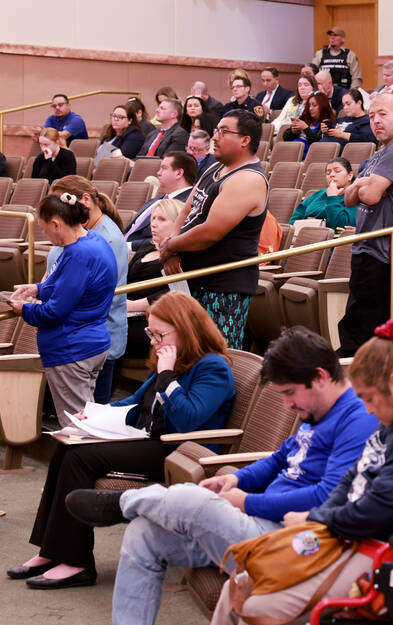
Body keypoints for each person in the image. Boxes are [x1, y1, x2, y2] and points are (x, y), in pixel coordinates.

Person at [65, 326, 375, 625]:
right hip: (256, 522)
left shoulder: (358, 419)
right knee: (142, 534)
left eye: (290, 393)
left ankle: (123, 504)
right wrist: (236, 477)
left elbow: (327, 496)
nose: (287, 405)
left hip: (288, 537)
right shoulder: (316, 411)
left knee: (192, 500)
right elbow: (280, 459)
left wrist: (245, 501)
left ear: (321, 376)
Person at [204, 318, 393, 625]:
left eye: (368, 398)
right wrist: (319, 518)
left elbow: (380, 509)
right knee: (237, 586)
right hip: (363, 537)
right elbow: (354, 478)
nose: (366, 410)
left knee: (257, 609)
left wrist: (313, 517)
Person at [7, 292, 236, 591]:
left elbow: (187, 420)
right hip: (149, 439)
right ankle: (51, 551)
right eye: (150, 332)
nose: (153, 340)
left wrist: (167, 376)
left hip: (181, 452)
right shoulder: (175, 357)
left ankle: (76, 562)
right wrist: (91, 415)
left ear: (185, 328)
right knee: (67, 446)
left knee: (81, 458)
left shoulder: (213, 367)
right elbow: (134, 401)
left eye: (158, 334)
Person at [160, 109, 269, 349]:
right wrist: (173, 248)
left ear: (245, 140)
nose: (215, 137)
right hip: (192, 280)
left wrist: (170, 245)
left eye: (223, 131)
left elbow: (210, 232)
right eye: (216, 130)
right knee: (182, 356)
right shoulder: (215, 168)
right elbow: (187, 210)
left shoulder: (248, 179)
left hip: (222, 288)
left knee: (214, 358)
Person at [10, 192, 118, 419]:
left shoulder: (79, 253)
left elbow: (54, 312)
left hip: (72, 348)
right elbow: (71, 285)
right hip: (90, 343)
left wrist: (24, 309)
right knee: (85, 419)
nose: (44, 233)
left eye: (43, 227)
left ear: (56, 224)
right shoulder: (92, 240)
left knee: (76, 428)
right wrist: (38, 288)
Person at [337, 94, 393, 356]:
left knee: (361, 329)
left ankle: (355, 385)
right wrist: (362, 184)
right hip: (367, 247)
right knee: (358, 321)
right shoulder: (381, 152)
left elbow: (370, 196)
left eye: (382, 114)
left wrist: (365, 185)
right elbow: (349, 197)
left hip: (384, 252)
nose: (375, 120)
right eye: (372, 115)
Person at [49, 176, 129, 404]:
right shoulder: (80, 229)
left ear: (85, 200)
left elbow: (105, 294)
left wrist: (50, 305)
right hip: (73, 337)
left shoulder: (108, 239)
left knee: (92, 416)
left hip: (94, 340)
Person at [123, 198, 183, 360]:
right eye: (153, 219)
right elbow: (126, 281)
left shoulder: (181, 256)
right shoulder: (148, 246)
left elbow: (173, 292)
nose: (153, 224)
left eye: (162, 219)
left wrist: (132, 305)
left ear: (178, 223)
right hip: (126, 313)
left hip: (153, 321)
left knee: (108, 334)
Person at [123, 150, 197, 249]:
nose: (158, 173)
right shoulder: (153, 202)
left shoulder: (187, 205)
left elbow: (169, 238)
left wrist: (127, 246)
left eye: (164, 168)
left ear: (179, 173)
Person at [290, 157, 357, 231]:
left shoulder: (355, 197)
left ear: (350, 175)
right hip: (305, 236)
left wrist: (332, 197)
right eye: (328, 173)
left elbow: (341, 225)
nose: (331, 175)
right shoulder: (317, 195)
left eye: (337, 171)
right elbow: (294, 221)